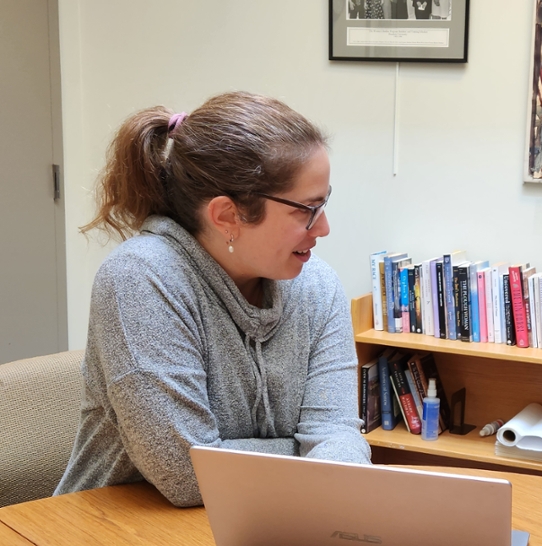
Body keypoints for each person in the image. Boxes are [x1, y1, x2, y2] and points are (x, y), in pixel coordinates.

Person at [55, 92, 371, 507]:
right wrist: (307, 456)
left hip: (263, 518)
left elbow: (338, 434)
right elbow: (187, 475)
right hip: (114, 535)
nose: (324, 227)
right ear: (226, 216)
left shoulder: (317, 285)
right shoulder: (141, 279)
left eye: (323, 202)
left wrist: (324, 457)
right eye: (306, 210)